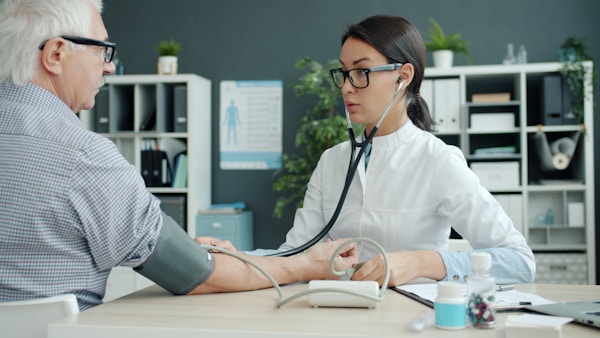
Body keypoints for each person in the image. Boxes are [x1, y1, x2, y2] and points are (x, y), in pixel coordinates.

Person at [0, 0, 358, 311]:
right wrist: (309, 265)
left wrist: (171, 243)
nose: (108, 66)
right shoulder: (85, 158)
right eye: (101, 50)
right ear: (56, 55)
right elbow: (196, 275)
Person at [269, 14, 535, 286]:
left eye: (361, 72)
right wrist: (235, 256)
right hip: (340, 315)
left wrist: (421, 262)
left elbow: (519, 262)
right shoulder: (331, 161)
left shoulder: (438, 160)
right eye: (344, 73)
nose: (347, 87)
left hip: (411, 320)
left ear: (403, 76)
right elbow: (293, 255)